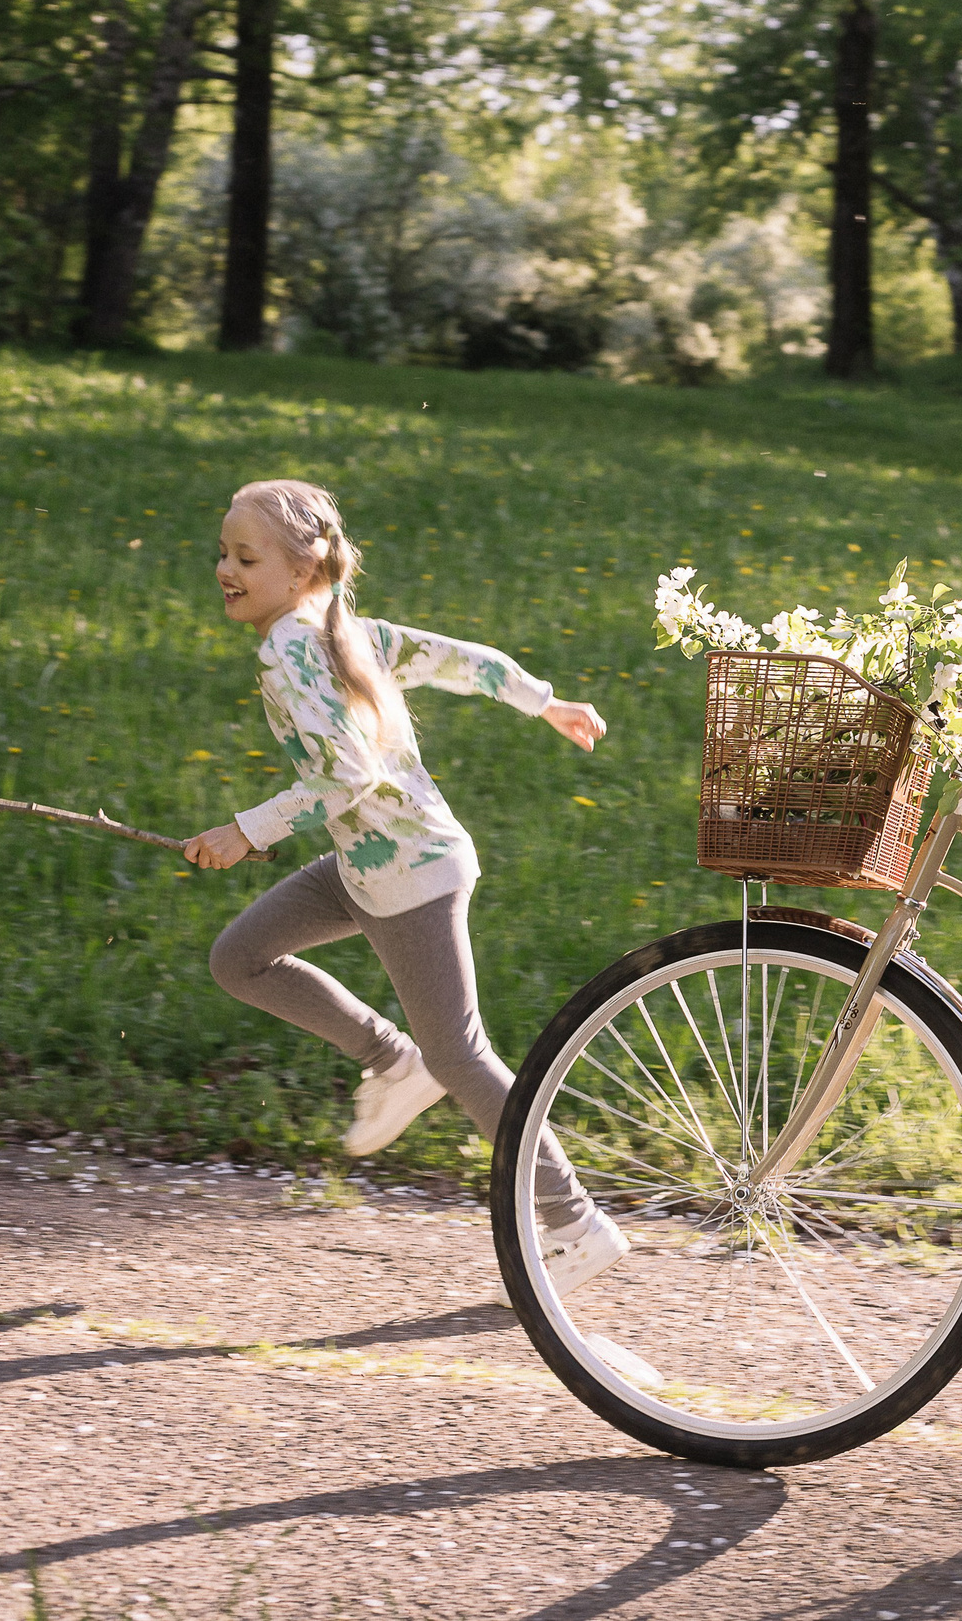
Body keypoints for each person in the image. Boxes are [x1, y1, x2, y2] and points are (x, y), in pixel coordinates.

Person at [183, 479, 628, 1296]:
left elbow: (345, 776)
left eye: (245, 557)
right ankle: (395, 1062)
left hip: (410, 876)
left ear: (302, 568)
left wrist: (249, 828)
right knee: (239, 958)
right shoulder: (339, 628)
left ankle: (575, 1222)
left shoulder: (294, 650)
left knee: (461, 1054)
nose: (225, 570)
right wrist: (544, 701)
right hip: (368, 866)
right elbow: (463, 660)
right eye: (223, 554)